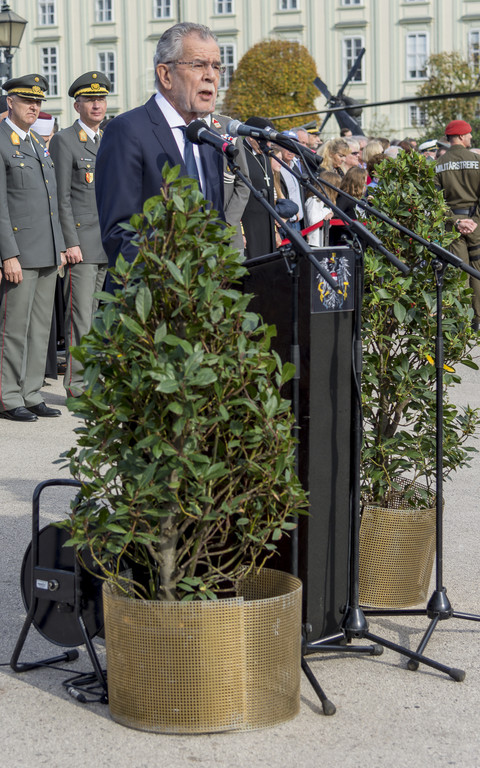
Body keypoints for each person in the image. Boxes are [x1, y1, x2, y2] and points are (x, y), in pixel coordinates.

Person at [96, 22, 225, 267]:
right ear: (166, 75)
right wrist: (172, 282)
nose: (211, 75)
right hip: (152, 286)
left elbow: (215, 224)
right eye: (198, 65)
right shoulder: (126, 131)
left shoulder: (208, 138)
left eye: (216, 66)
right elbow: (120, 235)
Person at [0, 74, 66, 421]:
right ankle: (8, 396)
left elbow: (51, 201)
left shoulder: (37, 142)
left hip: (47, 250)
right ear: (10, 102)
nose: (34, 107)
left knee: (40, 328)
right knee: (14, 329)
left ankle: (30, 392)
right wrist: (7, 254)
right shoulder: (1, 141)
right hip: (20, 253)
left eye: (38, 102)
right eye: (27, 101)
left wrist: (59, 246)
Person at [49, 71, 112, 397]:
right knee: (80, 317)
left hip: (105, 243)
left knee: (98, 317)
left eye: (101, 99)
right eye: (90, 100)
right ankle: (76, 384)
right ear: (77, 105)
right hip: (82, 245)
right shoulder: (65, 140)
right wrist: (69, 242)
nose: (97, 105)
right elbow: (60, 197)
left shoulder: (106, 139)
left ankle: (93, 378)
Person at [435, 119, 480, 330]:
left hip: (451, 226)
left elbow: (434, 202)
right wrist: (475, 221)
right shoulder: (477, 161)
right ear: (461, 136)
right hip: (476, 224)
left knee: (459, 272)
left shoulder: (438, 165)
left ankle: (461, 321)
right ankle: (478, 319)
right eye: (469, 134)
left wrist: (456, 221)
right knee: (477, 270)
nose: (471, 137)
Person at [209, 111, 250, 255]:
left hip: (228, 236)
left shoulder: (227, 126)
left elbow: (243, 182)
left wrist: (228, 222)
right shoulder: (179, 126)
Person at [241, 116, 276, 259]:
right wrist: (240, 231)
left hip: (267, 223)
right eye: (264, 140)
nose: (268, 144)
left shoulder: (264, 155)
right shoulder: (239, 153)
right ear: (251, 136)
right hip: (249, 225)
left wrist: (275, 230)